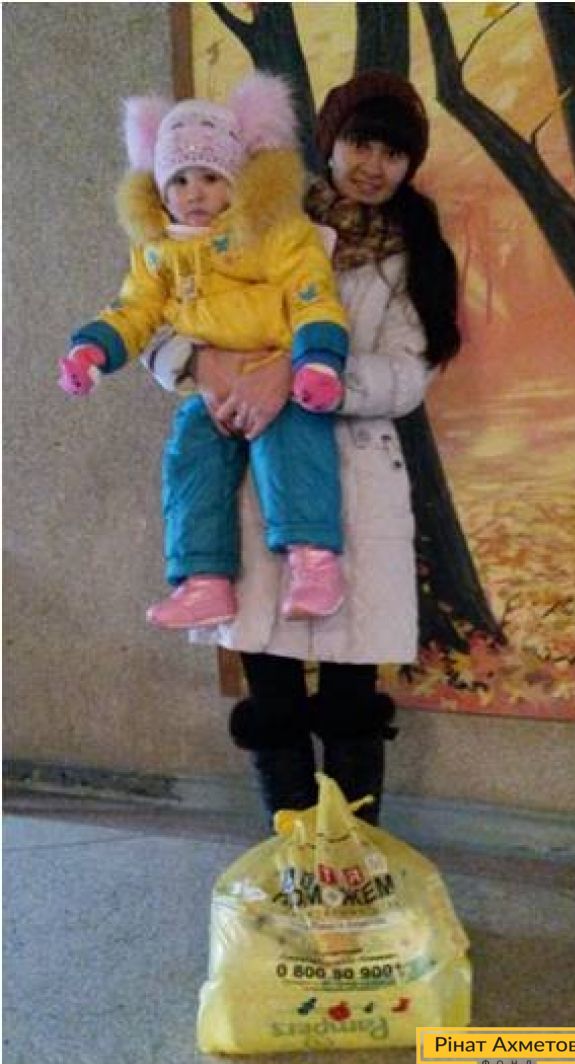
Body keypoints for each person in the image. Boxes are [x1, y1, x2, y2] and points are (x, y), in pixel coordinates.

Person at [148, 70, 461, 826]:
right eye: (360, 143)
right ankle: (291, 857)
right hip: (258, 470)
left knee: (351, 695)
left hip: (358, 480)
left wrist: (301, 375)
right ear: (330, 143)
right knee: (273, 688)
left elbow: (406, 374)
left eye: (392, 152)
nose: (373, 165)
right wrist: (202, 364)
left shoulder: (412, 253)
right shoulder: (253, 219)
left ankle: (351, 861)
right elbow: (158, 320)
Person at [57, 72, 350, 628]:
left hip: (280, 370)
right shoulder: (158, 252)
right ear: (159, 189)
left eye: (211, 178)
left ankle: (314, 562)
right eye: (180, 180)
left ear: (237, 181)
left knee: (294, 448)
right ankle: (203, 579)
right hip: (210, 389)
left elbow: (313, 295)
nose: (194, 193)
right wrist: (92, 350)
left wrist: (317, 360)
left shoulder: (274, 230)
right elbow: (134, 310)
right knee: (190, 456)